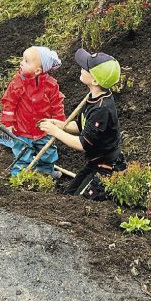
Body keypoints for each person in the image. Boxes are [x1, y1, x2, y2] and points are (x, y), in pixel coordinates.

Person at [39, 48, 124, 200]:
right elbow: (80, 127)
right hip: (94, 162)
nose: (81, 68)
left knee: (80, 201)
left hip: (107, 167)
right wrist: (59, 124)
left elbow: (83, 144)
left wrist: (55, 132)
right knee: (70, 194)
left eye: (85, 68)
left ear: (95, 81)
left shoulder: (102, 109)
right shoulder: (92, 97)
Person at [0, 46, 66, 176]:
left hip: (44, 130)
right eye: (23, 59)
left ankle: (46, 173)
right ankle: (18, 176)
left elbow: (57, 105)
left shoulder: (50, 86)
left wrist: (59, 124)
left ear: (38, 70)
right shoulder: (17, 83)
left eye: (26, 61)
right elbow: (9, 105)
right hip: (22, 131)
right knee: (23, 155)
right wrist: (7, 125)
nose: (21, 62)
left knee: (47, 153)